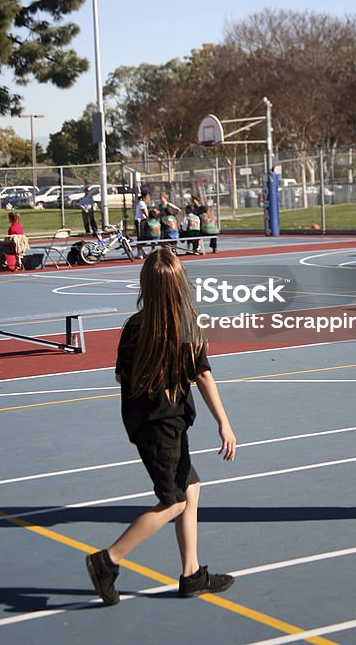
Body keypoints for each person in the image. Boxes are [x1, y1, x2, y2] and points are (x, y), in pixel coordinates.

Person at [85, 249, 236, 605]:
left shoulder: (135, 327)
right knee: (173, 502)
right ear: (180, 285)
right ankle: (108, 560)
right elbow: (202, 374)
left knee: (191, 490)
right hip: (163, 428)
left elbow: (120, 375)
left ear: (146, 286)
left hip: (147, 423)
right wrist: (224, 423)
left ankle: (191, 574)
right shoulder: (186, 326)